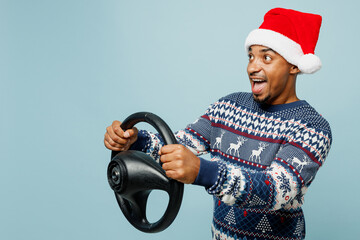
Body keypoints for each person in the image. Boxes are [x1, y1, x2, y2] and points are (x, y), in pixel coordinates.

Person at [104, 8, 332, 240]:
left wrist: (202, 171)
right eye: (250, 56)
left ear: (294, 66)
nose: (252, 67)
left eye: (266, 57)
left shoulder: (313, 128)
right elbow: (178, 145)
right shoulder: (228, 106)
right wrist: (135, 140)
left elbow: (275, 190)